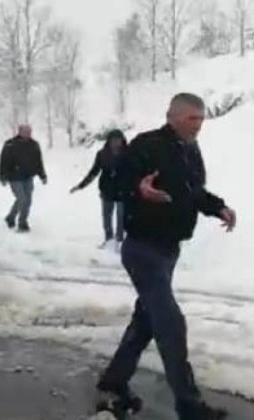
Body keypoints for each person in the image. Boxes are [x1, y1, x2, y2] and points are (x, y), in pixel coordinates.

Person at [95, 93, 236, 420]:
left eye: (201, 120)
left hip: (169, 249)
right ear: (173, 116)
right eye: (192, 119)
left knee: (146, 320)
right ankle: (189, 406)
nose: (198, 126)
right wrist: (138, 190)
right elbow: (115, 184)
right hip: (142, 248)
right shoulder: (147, 145)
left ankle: (114, 380)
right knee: (171, 324)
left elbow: (193, 192)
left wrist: (218, 208)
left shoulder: (190, 151)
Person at [70, 129, 128, 248]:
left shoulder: (129, 153)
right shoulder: (102, 154)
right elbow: (94, 172)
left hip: (124, 190)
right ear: (109, 141)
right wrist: (81, 185)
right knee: (107, 216)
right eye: (113, 140)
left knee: (122, 216)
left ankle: (120, 240)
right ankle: (108, 240)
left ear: (122, 141)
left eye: (119, 140)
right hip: (107, 190)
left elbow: (136, 171)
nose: (116, 143)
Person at [0, 124, 47, 232]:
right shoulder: (10, 144)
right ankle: (21, 223)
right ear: (19, 132)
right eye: (26, 132)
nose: (28, 134)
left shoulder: (34, 145)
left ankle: (13, 218)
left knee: (27, 200)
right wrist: (3, 176)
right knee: (22, 199)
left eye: (30, 132)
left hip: (28, 177)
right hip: (14, 177)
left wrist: (42, 175)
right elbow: (3, 161)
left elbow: (39, 161)